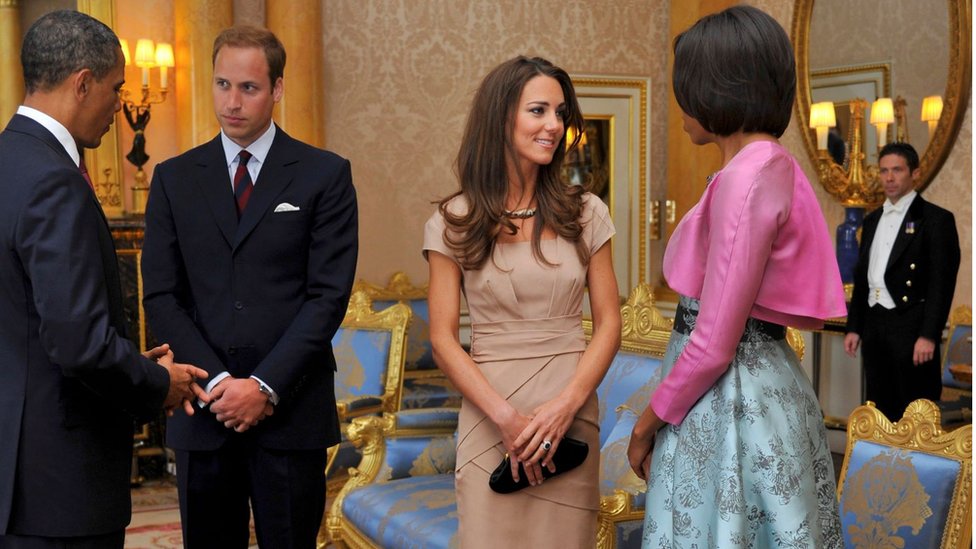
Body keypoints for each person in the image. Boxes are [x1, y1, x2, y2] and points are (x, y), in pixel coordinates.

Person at [625, 6, 848, 547]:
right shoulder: (765, 165)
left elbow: (714, 342)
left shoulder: (746, 176)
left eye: (687, 83)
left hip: (730, 400)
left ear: (716, 87)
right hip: (756, 384)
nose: (682, 99)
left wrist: (644, 425)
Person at [141, 25, 358, 549]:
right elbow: (161, 296)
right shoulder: (173, 178)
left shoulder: (323, 175)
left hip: (290, 410)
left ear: (277, 89)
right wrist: (218, 384)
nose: (231, 102)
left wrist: (262, 387)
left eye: (248, 88)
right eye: (221, 85)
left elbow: (327, 297)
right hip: (203, 410)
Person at [0, 10, 208, 549]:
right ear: (82, 83)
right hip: (58, 482)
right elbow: (77, 343)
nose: (120, 106)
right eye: (116, 88)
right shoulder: (54, 182)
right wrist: (160, 383)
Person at [425, 56, 621, 548]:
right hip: (490, 418)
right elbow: (443, 338)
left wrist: (564, 407)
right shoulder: (454, 220)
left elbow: (610, 323)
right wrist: (507, 419)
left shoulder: (587, 213)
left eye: (560, 113)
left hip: (572, 418)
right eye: (538, 111)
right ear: (501, 117)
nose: (554, 125)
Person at [844, 142, 960, 420]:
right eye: (884, 171)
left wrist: (929, 335)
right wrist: (854, 327)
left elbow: (941, 284)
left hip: (911, 327)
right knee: (878, 409)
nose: (889, 177)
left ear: (915, 174)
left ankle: (915, 465)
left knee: (914, 411)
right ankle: (882, 464)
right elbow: (864, 278)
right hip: (875, 325)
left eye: (897, 170)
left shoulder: (935, 220)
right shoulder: (871, 220)